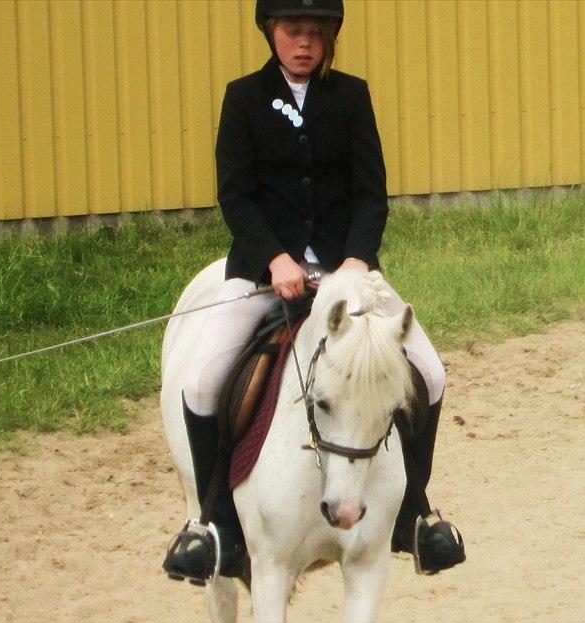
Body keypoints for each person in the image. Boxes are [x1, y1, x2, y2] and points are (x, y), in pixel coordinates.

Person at [163, 0, 464, 584]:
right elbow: (237, 195)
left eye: (315, 33)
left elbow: (371, 193)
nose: (304, 43)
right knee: (201, 380)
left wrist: (354, 259)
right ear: (271, 33)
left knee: (429, 371)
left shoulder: (350, 97)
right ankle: (213, 523)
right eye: (292, 31)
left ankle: (415, 513)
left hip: (345, 276)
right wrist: (275, 258)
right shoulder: (243, 98)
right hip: (264, 276)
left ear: (330, 38)